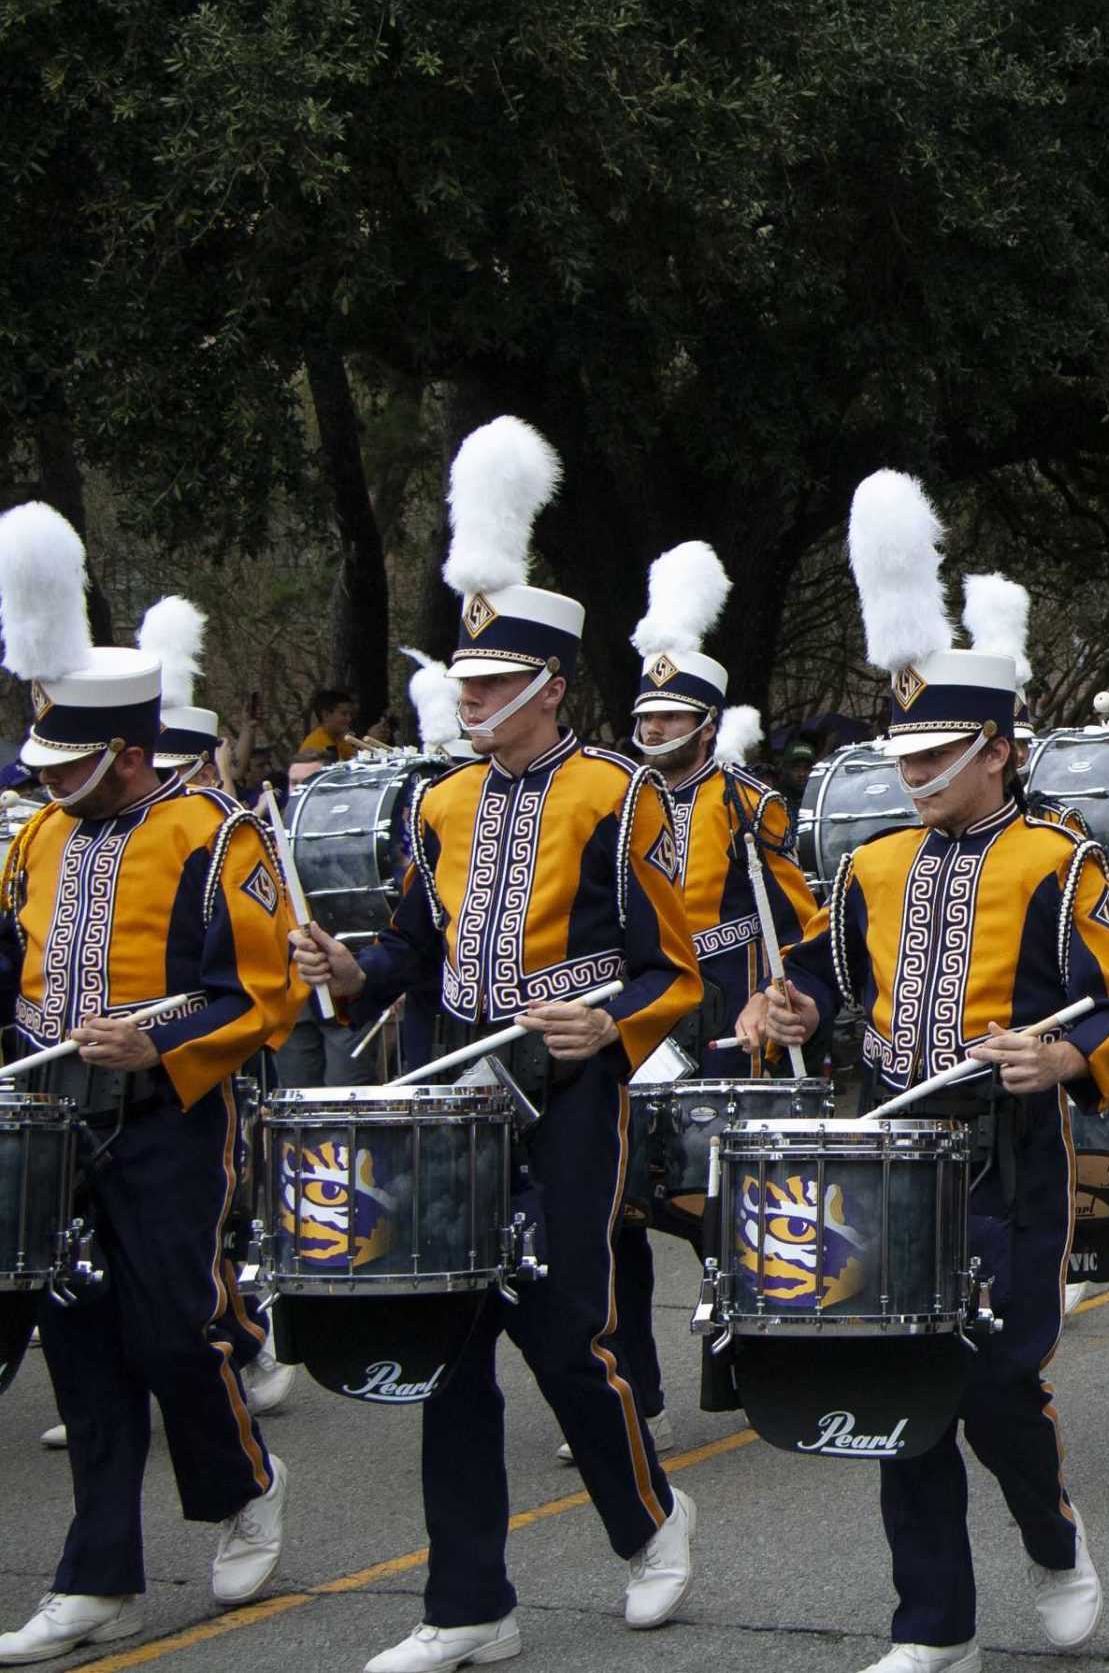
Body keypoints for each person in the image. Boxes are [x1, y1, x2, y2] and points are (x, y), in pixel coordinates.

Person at [286, 419, 704, 1672]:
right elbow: (414, 945)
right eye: (462, 684)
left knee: (561, 1325)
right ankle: (469, 1602)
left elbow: (670, 969)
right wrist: (352, 967)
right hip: (455, 1092)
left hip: (570, 1089)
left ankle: (649, 1518)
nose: (463, 700)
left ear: (545, 688)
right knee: (446, 1338)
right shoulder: (439, 800)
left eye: (483, 685)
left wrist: (605, 1025)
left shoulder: (619, 794)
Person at [740, 468, 1109, 1673]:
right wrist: (789, 999)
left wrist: (1059, 1051)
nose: (914, 771)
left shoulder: (1061, 862)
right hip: (892, 1150)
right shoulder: (865, 865)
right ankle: (933, 1623)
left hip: (1009, 1152)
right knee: (901, 1381)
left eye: (939, 751)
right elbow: (826, 979)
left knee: (995, 1383)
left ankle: (1053, 1532)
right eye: (904, 750)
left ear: (999, 751)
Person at [0, 508, 301, 1663]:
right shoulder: (33, 839)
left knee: (175, 1328)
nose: (54, 784)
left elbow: (260, 996)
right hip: (52, 1123)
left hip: (171, 1115)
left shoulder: (214, 834)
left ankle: (247, 1477)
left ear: (129, 751)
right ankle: (98, 1578)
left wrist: (156, 1045)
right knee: (77, 1345)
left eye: (72, 765)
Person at [590, 539, 820, 1455]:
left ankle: (754, 1358)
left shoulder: (751, 800)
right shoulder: (610, 801)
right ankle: (631, 1387)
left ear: (707, 720)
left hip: (726, 1005)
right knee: (619, 1201)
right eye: (645, 716)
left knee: (716, 1201)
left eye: (671, 716)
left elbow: (798, 920)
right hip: (643, 1005)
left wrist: (779, 992)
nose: (652, 730)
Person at [295, 687, 359, 765]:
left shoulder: (339, 738)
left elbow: (356, 761)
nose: (349, 719)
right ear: (326, 715)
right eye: (344, 714)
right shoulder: (316, 746)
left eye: (350, 714)